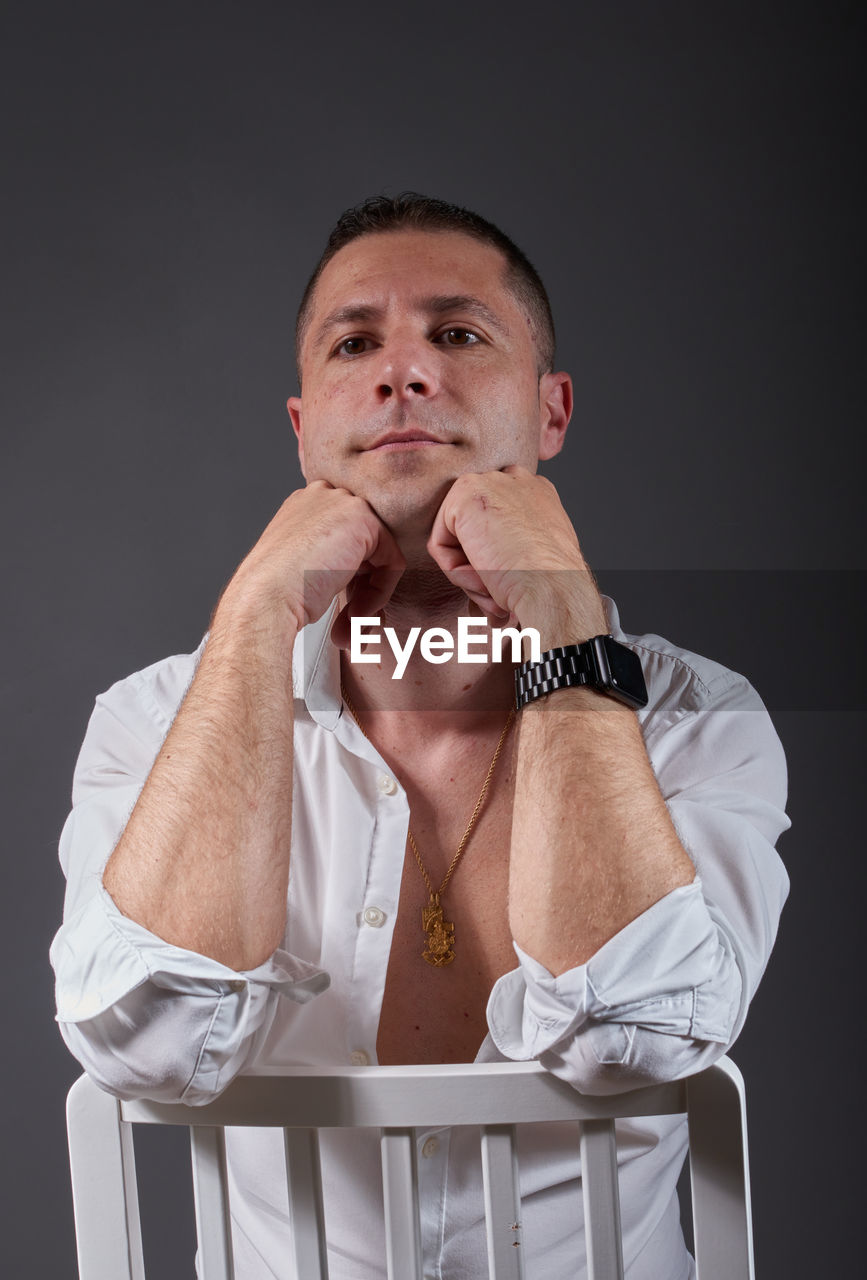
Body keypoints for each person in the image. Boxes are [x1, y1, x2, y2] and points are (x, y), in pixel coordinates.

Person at [51, 193, 790, 1279]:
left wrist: (563, 610)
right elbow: (147, 1043)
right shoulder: (149, 721)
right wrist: (256, 611)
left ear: (551, 411)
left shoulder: (698, 716)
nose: (405, 372)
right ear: (304, 428)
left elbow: (642, 1032)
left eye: (458, 334)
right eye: (357, 342)